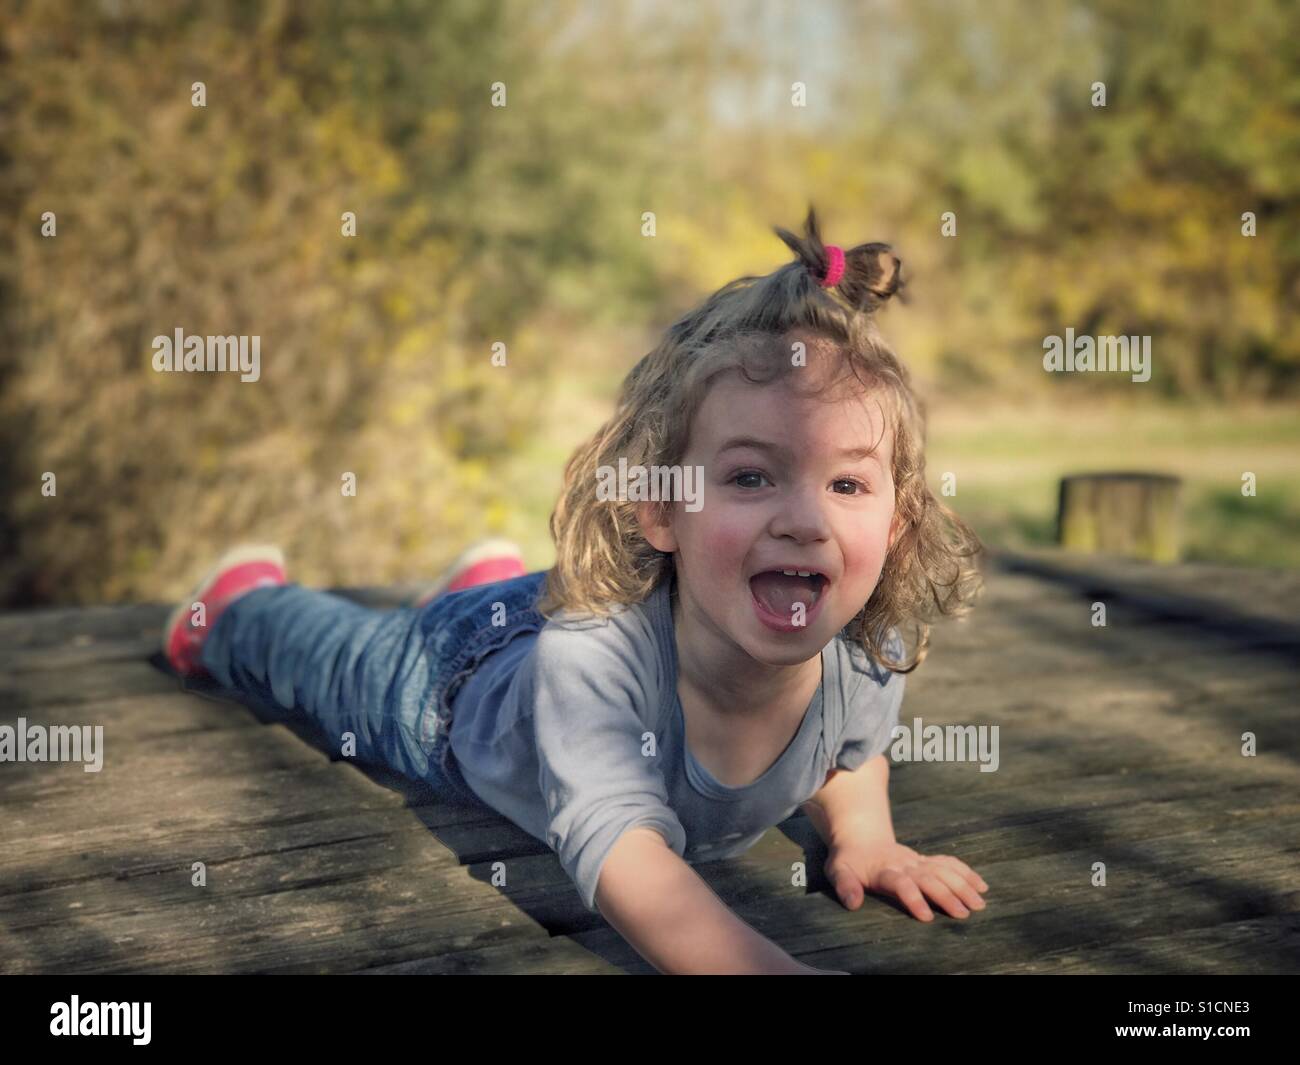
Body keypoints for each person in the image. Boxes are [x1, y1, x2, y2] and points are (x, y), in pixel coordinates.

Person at [161, 206, 987, 975]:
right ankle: (237, 606)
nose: (804, 520)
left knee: (522, 620)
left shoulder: (866, 654)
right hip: (449, 697)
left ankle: (485, 585)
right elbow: (630, 858)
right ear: (659, 506)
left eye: (847, 486)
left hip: (546, 638)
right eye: (749, 475)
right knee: (328, 660)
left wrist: (866, 837)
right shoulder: (594, 664)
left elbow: (848, 749)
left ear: (900, 527)